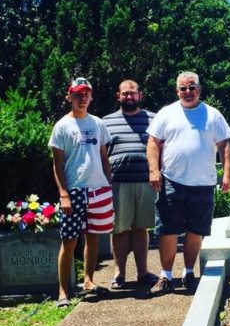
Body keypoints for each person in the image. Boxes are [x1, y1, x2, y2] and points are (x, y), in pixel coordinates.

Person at [146, 71, 230, 295]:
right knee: (168, 230)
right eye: (183, 88)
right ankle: (166, 277)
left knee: (196, 231)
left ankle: (188, 273)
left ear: (199, 90)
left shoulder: (213, 115)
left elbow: (224, 146)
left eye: (191, 87)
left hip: (203, 184)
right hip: (172, 181)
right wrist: (154, 170)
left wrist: (227, 174)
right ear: (177, 91)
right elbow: (154, 142)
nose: (187, 92)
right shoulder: (167, 113)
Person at [49, 76, 114, 307]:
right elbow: (57, 165)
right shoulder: (62, 126)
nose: (82, 98)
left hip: (98, 189)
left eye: (86, 94)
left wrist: (108, 184)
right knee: (69, 241)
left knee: (94, 237)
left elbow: (104, 156)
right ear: (69, 96)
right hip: (74, 190)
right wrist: (63, 194)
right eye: (77, 94)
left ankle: (88, 281)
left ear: (91, 96)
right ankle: (63, 292)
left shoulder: (97, 123)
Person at [103, 79, 158, 289]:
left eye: (132, 93)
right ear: (118, 96)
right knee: (119, 229)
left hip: (146, 182)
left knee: (140, 228)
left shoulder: (154, 119)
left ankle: (143, 272)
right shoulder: (106, 122)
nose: (129, 97)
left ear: (140, 95)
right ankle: (119, 273)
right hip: (118, 183)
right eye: (125, 93)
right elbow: (102, 152)